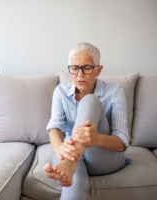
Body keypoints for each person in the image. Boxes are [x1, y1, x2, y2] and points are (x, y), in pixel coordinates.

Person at [43, 42, 132, 199]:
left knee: (90, 100)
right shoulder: (61, 91)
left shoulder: (115, 91)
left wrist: (96, 138)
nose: (80, 74)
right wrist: (60, 149)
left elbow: (122, 141)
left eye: (87, 68)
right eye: (74, 68)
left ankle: (70, 162)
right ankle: (71, 164)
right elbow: (55, 126)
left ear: (98, 69)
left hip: (103, 157)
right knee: (72, 181)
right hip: (71, 155)